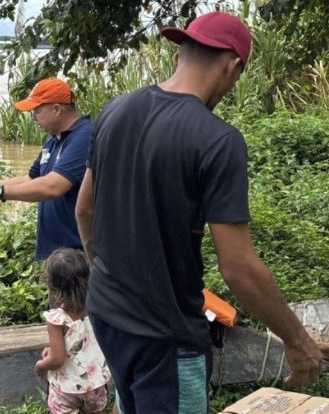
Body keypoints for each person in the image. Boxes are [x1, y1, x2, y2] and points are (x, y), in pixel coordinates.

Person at [75, 12, 329, 413]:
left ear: (180, 55)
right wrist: (298, 343)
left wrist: (106, 271)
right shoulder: (218, 139)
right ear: (233, 67)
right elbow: (238, 267)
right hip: (165, 333)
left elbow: (84, 208)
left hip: (107, 314)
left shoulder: (114, 110)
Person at [0, 78, 90, 261]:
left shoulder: (84, 136)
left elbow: (53, 186)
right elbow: (31, 179)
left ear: (56, 109)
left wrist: (0, 192)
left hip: (78, 253)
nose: (32, 117)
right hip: (57, 254)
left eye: (37, 111)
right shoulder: (53, 140)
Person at [35, 248, 110, 414]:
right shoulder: (98, 308)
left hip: (67, 388)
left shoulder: (57, 319)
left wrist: (41, 366)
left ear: (52, 285)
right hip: (95, 385)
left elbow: (57, 359)